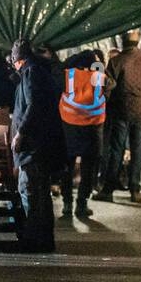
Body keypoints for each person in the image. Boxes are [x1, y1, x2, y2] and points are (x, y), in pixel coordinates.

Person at [96, 31, 141, 203]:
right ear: (138, 42)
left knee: (116, 151)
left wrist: (110, 106)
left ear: (122, 42)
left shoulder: (116, 61)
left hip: (120, 112)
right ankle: (135, 190)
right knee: (137, 151)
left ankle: (108, 190)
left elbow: (107, 87)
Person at [11, 39, 63, 251]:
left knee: (30, 191)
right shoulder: (40, 72)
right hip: (42, 145)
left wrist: (20, 133)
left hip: (33, 147)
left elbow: (33, 104)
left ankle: (33, 240)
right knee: (41, 193)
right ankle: (45, 240)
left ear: (17, 60)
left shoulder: (31, 74)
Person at [57, 49, 111, 218]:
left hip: (69, 125)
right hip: (93, 128)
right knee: (89, 168)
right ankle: (82, 204)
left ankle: (67, 203)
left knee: (67, 166)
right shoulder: (101, 78)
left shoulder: (67, 76)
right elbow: (110, 88)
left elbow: (59, 70)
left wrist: (72, 60)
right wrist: (99, 65)